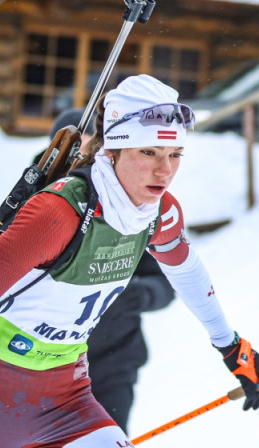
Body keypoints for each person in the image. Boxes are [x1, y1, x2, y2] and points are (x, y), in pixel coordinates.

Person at [0, 74, 259, 448]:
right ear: (112, 151)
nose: (165, 170)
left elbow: (186, 271)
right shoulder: (58, 213)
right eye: (149, 152)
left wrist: (231, 347)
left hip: (66, 399)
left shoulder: (159, 213)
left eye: (175, 154)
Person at [45, 108, 177, 432]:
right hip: (45, 364)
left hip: (113, 360)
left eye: (94, 147)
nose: (86, 156)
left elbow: (165, 283)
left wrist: (134, 295)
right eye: (76, 148)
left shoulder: (131, 204)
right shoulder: (39, 197)